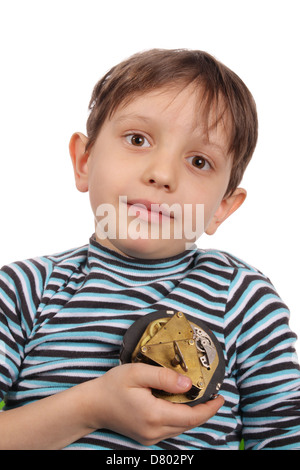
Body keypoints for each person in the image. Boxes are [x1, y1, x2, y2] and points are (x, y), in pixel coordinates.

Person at [0, 48, 300, 450]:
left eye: (198, 161)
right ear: (84, 161)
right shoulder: (23, 291)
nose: (161, 174)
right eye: (138, 139)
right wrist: (90, 408)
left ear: (223, 208)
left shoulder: (242, 298)